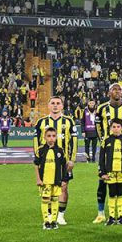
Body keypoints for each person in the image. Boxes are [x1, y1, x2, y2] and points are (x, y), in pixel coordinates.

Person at [94, 83, 122, 224]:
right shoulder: (101, 108)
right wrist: (103, 140)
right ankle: (101, 214)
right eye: (114, 89)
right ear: (109, 92)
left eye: (119, 89)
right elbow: (98, 126)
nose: (117, 91)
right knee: (103, 182)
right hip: (108, 148)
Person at [33, 96, 75, 226]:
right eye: (53, 103)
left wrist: (72, 159)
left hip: (63, 162)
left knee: (63, 187)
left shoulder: (69, 121)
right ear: (48, 105)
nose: (55, 105)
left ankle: (60, 215)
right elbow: (36, 141)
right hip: (46, 163)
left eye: (58, 103)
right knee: (47, 187)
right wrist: (38, 158)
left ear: (62, 106)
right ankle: (50, 215)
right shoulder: (41, 122)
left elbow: (73, 141)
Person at [98, 119, 122, 226]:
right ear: (110, 128)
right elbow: (101, 158)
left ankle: (120, 217)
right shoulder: (106, 141)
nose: (116, 129)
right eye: (114, 127)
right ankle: (111, 217)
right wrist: (102, 172)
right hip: (110, 173)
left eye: (118, 127)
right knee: (111, 193)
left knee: (120, 193)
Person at [35, 127, 69, 230]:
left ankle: (54, 221)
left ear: (56, 137)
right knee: (45, 200)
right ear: (44, 137)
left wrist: (64, 179)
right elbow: (36, 165)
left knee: (55, 200)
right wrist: (38, 179)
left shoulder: (60, 150)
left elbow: (64, 166)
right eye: (49, 136)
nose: (51, 138)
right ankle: (46, 221)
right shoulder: (40, 150)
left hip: (56, 180)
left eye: (53, 136)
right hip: (45, 181)